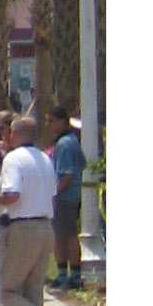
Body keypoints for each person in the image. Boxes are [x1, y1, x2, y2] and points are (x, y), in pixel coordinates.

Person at [0, 114, 64, 306]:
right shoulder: (44, 157)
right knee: (33, 292)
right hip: (45, 226)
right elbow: (52, 192)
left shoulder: (14, 159)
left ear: (15, 133)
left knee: (5, 289)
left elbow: (12, 194)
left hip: (23, 227)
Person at [50, 110, 89, 290]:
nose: (48, 125)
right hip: (70, 197)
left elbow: (66, 174)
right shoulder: (72, 141)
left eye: (51, 121)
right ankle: (63, 274)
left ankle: (73, 276)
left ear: (62, 121)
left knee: (67, 236)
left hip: (64, 197)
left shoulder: (65, 144)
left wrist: (54, 194)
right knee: (60, 236)